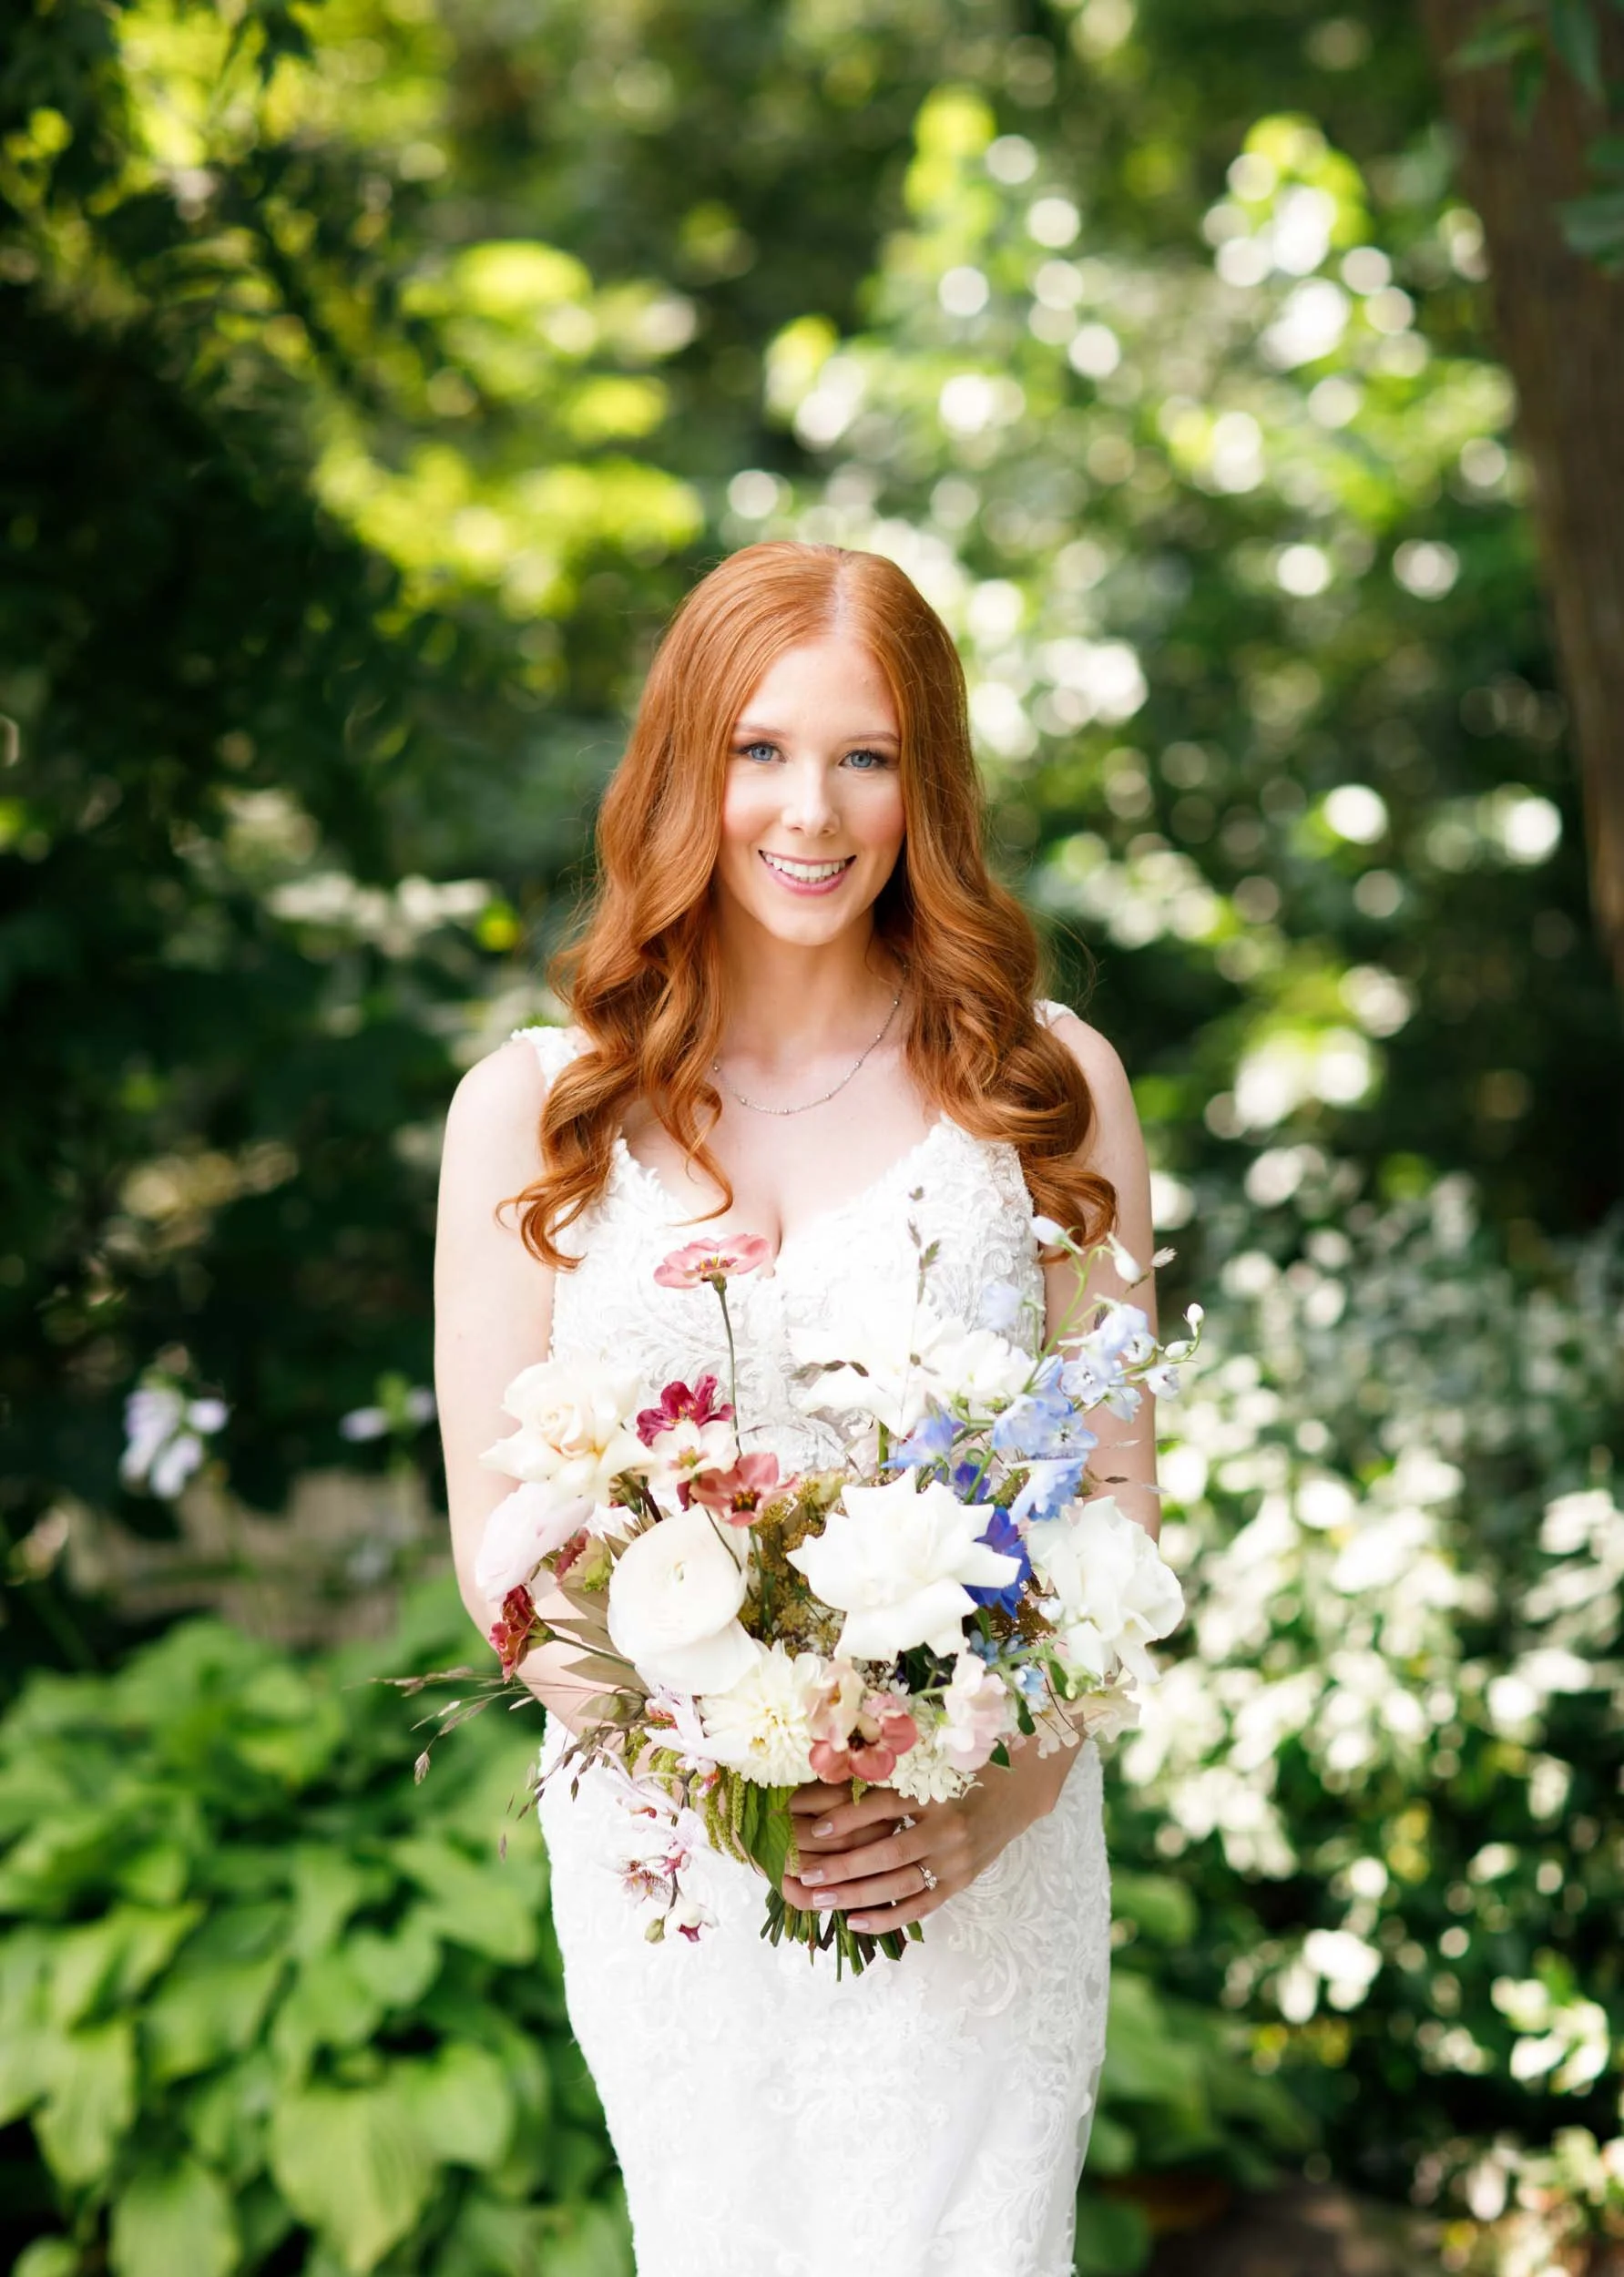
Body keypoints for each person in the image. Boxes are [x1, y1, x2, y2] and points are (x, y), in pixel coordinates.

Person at [434, 539, 1159, 2277]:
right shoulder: (537, 1114)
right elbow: (502, 1546)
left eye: (866, 756)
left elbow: (1118, 1519)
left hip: (980, 1858)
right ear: (685, 768)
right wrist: (744, 1765)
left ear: (929, 783)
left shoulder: (1044, 1089)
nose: (808, 811)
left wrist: (993, 1799)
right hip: (678, 1867)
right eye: (758, 750)